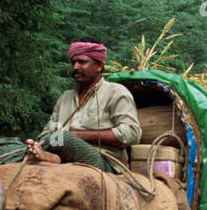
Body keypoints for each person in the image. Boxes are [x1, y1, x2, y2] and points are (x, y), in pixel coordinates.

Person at [22, 40, 141, 171]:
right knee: (5, 145)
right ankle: (49, 157)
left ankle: (53, 158)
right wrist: (35, 145)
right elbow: (49, 130)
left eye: (82, 62)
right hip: (61, 150)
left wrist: (77, 136)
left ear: (99, 66)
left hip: (103, 159)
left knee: (65, 137)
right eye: (73, 62)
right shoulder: (65, 97)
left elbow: (131, 133)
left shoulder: (116, 92)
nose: (75, 67)